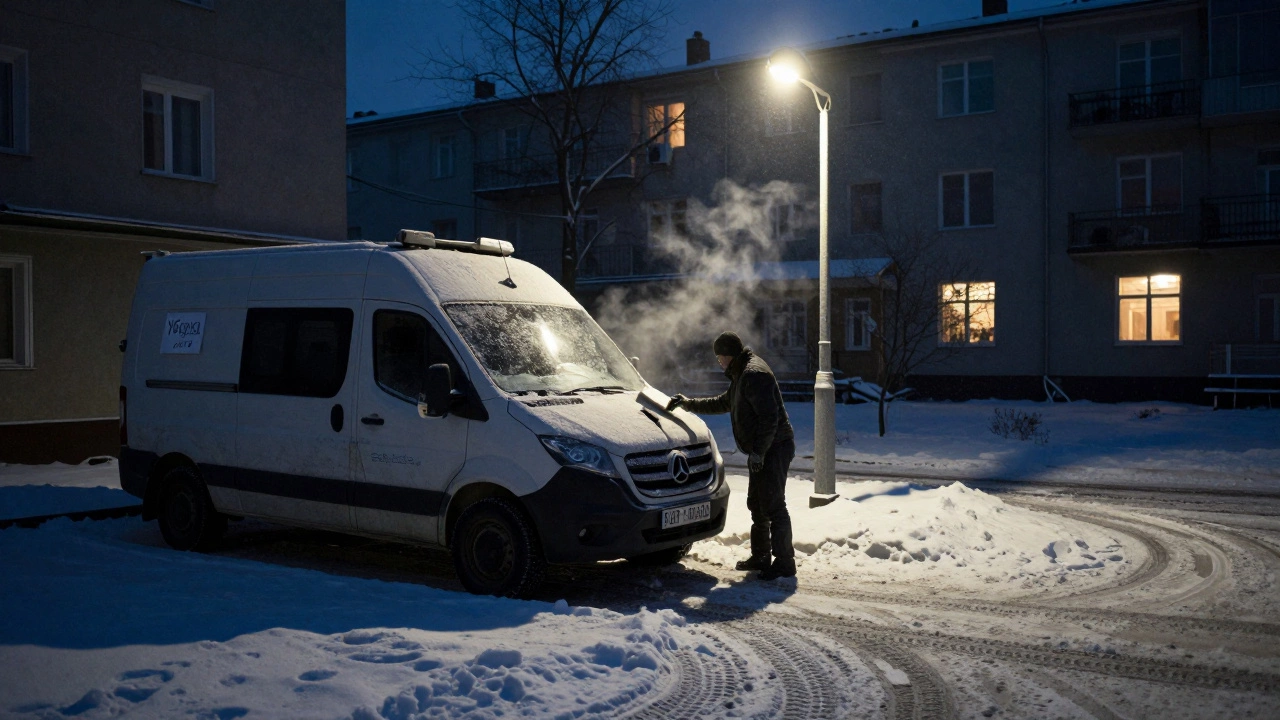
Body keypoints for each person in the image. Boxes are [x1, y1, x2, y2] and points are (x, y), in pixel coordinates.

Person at [666, 331, 796, 580]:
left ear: (727, 356)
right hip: (763, 448)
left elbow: (770, 420)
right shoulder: (741, 374)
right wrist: (688, 403)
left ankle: (785, 563)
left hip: (775, 447)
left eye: (719, 358)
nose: (718, 362)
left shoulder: (753, 374)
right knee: (757, 504)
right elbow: (724, 402)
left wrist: (758, 453)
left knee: (773, 504)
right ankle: (761, 557)